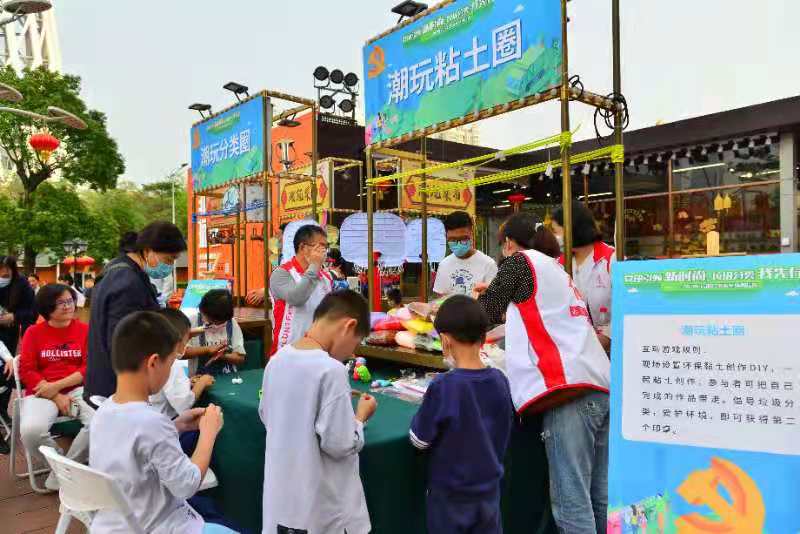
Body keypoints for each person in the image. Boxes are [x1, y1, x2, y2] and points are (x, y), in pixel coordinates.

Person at [475, 213, 610, 534]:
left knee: (571, 502)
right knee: (599, 497)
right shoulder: (556, 270)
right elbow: (534, 313)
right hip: (599, 384)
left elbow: (484, 313)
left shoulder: (520, 262)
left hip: (567, 393)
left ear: (509, 243)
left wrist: (467, 304)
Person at [89, 310, 234, 533]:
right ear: (154, 363)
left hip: (116, 523)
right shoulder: (152, 422)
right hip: (159, 526)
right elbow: (187, 485)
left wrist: (178, 426)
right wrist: (208, 433)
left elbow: (136, 446)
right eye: (172, 362)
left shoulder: (105, 410)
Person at [259, 290, 377, 534]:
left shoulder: (277, 360)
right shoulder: (331, 370)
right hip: (321, 509)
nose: (352, 353)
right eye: (355, 343)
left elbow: (266, 415)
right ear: (349, 326)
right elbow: (340, 444)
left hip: (282, 504)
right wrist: (359, 418)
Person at [409, 295, 513, 534]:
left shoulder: (444, 386)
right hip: (489, 494)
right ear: (484, 337)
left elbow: (419, 440)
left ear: (445, 340)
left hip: (450, 498)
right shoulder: (500, 380)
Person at [85, 221, 187, 405]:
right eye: (169, 259)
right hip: (117, 390)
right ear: (148, 250)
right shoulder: (127, 283)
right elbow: (123, 343)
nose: (170, 265)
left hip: (107, 381)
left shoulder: (117, 270)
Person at [18, 283, 93, 489]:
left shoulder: (85, 330)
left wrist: (57, 386)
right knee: (31, 432)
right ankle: (62, 466)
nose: (68, 306)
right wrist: (55, 395)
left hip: (77, 389)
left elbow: (88, 367)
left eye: (70, 300)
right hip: (41, 392)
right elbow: (27, 369)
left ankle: (65, 470)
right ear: (47, 306)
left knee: (99, 423)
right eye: (60, 302)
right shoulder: (33, 332)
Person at [261, 224, 333, 356]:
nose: (324, 251)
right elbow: (296, 298)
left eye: (326, 247)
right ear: (303, 247)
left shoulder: (326, 277)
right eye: (320, 246)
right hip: (287, 353)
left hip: (318, 352)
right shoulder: (282, 273)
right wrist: (314, 266)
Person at [552, 201, 614, 349]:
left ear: (573, 229)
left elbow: (627, 309)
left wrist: (606, 337)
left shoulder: (611, 259)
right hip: (574, 349)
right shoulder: (558, 264)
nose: (554, 237)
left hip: (610, 349)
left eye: (556, 231)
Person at [149, 308, 214, 420]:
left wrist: (187, 382)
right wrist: (202, 382)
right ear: (178, 342)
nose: (186, 345)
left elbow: (166, 389)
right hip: (168, 421)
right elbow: (184, 404)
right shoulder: (171, 365)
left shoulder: (150, 358)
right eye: (186, 340)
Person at [0, 255, 36, 443]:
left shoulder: (21, 284)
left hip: (9, 334)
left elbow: (33, 311)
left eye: (8, 268)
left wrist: (14, 317)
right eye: (1, 268)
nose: (5, 272)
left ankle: (2, 409)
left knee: (7, 371)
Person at [434, 211, 498, 296]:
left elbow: (495, 298)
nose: (458, 244)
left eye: (463, 238)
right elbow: (440, 298)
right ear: (446, 237)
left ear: (471, 234)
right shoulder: (444, 265)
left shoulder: (488, 265)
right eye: (453, 239)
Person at [185, 289, 245, 376]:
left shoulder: (231, 323)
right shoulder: (192, 321)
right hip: (198, 379)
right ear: (202, 310)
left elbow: (240, 358)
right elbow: (181, 353)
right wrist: (207, 350)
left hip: (227, 377)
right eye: (211, 322)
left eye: (221, 323)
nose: (215, 326)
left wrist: (221, 356)